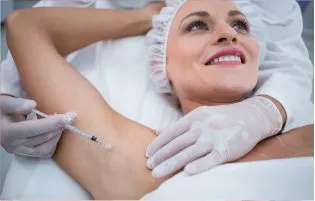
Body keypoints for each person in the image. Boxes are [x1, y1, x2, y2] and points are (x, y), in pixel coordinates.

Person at [5, 0, 313, 199]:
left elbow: (286, 47)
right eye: (196, 25)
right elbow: (26, 26)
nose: (227, 34)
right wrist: (147, 17)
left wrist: (266, 110)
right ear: (162, 67)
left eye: (240, 25)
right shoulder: (149, 163)